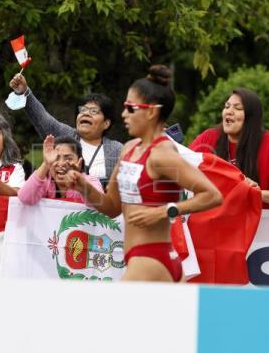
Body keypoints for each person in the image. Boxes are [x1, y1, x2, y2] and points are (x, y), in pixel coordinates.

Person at [65, 65, 222, 282]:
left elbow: (212, 195)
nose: (123, 114)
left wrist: (164, 212)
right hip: (145, 259)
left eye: (130, 108)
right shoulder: (129, 149)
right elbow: (111, 208)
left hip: (150, 260)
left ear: (150, 111)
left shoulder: (162, 153)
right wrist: (83, 186)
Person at [7, 74, 122, 187]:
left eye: (93, 111)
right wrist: (24, 92)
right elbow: (42, 118)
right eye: (82, 110)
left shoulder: (117, 150)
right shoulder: (66, 135)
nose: (86, 113)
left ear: (106, 123)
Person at [189, 88, 269, 209]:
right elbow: (182, 167)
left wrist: (255, 193)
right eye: (227, 106)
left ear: (251, 117)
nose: (229, 111)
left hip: (259, 223)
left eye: (238, 108)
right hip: (213, 219)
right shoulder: (208, 138)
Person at [18, 135, 102, 205]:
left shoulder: (90, 181)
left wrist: (80, 184)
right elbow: (24, 198)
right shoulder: (45, 183)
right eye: (56, 158)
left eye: (68, 158)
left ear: (79, 163)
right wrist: (46, 163)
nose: (61, 163)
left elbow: (98, 202)